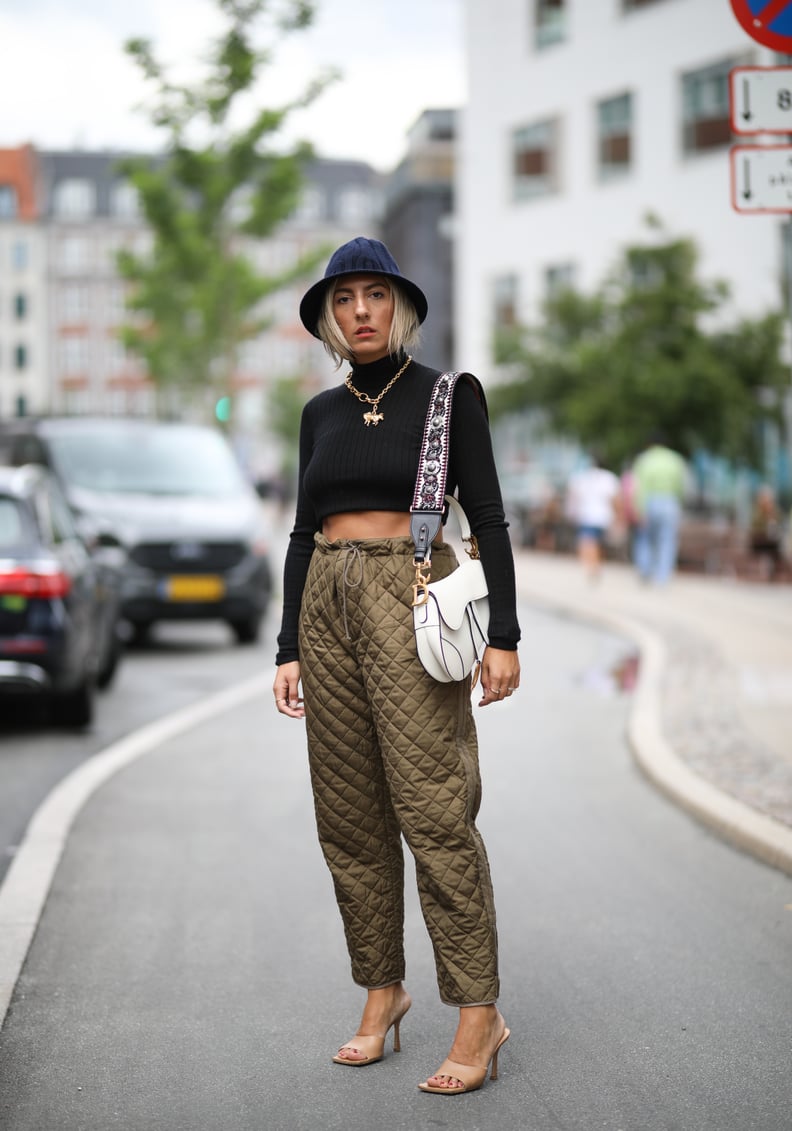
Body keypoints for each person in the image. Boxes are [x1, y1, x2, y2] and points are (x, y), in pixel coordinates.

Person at [272, 237, 520, 1096]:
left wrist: (505, 636)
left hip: (412, 596)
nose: (360, 312)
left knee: (434, 809)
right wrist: (288, 646)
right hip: (326, 606)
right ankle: (383, 993)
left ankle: (478, 1010)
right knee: (348, 817)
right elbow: (303, 532)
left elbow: (487, 518)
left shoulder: (448, 399)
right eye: (344, 301)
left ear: (400, 306)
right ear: (330, 319)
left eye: (375, 295)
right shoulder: (320, 413)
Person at [631, 436, 688, 585]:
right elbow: (681, 486)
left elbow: (639, 487)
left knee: (645, 538)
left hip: (649, 501)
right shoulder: (675, 459)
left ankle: (645, 571)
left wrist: (639, 508)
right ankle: (662, 577)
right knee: (667, 540)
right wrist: (679, 503)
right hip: (670, 501)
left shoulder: (644, 459)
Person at [564, 453, 621, 581]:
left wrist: (571, 513)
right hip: (604, 516)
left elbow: (574, 497)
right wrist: (618, 516)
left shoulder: (582, 477)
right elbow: (615, 500)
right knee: (597, 543)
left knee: (588, 542)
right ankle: (595, 565)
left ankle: (593, 567)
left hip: (587, 515)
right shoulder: (609, 478)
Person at [749, 484, 784, 580]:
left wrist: (772, 516)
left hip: (772, 542)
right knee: (765, 551)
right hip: (759, 542)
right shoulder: (757, 513)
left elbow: (779, 526)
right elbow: (754, 529)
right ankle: (765, 572)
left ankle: (771, 573)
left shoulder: (775, 512)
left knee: (775, 550)